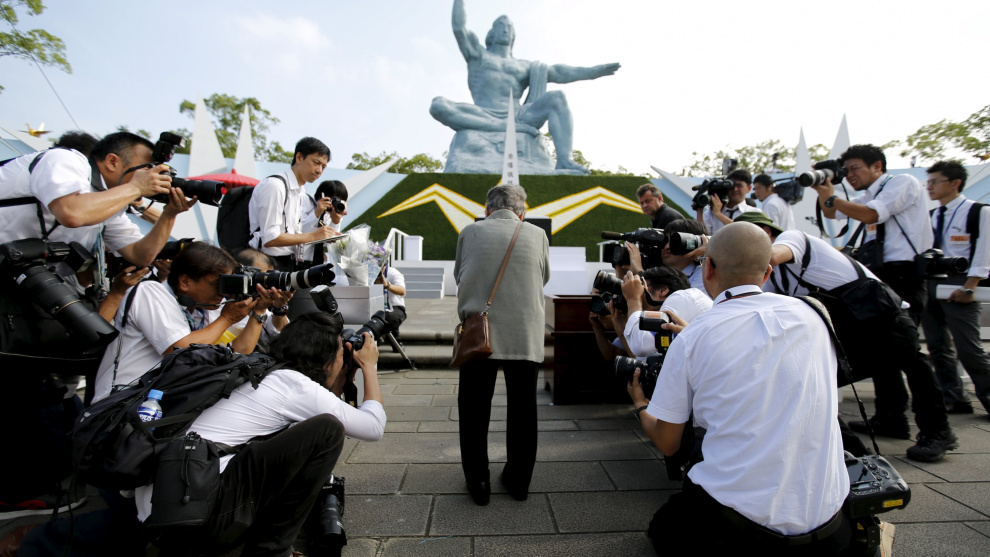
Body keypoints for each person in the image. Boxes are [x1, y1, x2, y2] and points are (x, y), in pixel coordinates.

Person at [19, 313, 385, 557]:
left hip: (167, 513)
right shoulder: (294, 386)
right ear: (324, 360)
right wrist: (369, 367)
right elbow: (372, 426)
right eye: (340, 357)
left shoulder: (256, 369)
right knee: (326, 431)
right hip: (196, 520)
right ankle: (271, 551)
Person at [630, 222, 850, 555]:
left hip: (741, 527)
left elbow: (668, 443)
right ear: (768, 272)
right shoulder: (814, 315)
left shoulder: (693, 338)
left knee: (664, 526)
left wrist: (639, 403)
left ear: (708, 268)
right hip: (829, 520)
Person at [736, 211, 958, 462]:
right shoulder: (773, 276)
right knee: (818, 380)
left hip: (885, 317)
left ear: (766, 233)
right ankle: (885, 425)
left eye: (743, 241)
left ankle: (938, 432)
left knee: (913, 365)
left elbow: (773, 256)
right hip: (856, 327)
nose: (741, 251)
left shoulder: (792, 239)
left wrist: (721, 250)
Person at [430, 0, 620, 173]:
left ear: (514, 34)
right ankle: (501, 126)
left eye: (509, 27)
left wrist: (592, 72)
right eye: (500, 26)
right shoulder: (478, 55)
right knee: (438, 105)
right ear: (491, 33)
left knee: (557, 97)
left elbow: (559, 72)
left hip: (518, 115)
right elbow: (459, 28)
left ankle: (564, 160)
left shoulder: (524, 66)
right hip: (482, 112)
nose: (505, 30)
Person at [454, 184, 549, 506]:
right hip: (525, 332)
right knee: (523, 408)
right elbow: (543, 277)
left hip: (479, 333)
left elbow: (460, 275)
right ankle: (519, 481)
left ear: (487, 210)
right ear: (522, 212)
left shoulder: (470, 232)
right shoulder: (537, 235)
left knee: (473, 407)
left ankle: (478, 481)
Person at [91, 242, 275, 403]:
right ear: (185, 282)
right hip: (119, 404)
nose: (223, 292)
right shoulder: (150, 291)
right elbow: (180, 350)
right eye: (217, 284)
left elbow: (240, 351)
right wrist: (226, 319)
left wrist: (258, 311)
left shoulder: (203, 308)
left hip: (157, 402)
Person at [812, 144, 933, 324]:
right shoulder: (871, 194)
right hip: (878, 269)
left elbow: (870, 215)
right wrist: (822, 191)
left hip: (904, 272)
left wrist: (832, 198)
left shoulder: (903, 182)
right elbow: (831, 212)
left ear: (877, 166)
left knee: (902, 329)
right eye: (846, 171)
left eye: (855, 168)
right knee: (878, 330)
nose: (849, 176)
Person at [922, 160, 990, 415]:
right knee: (938, 347)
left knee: (968, 348)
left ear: (954, 183)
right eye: (928, 182)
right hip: (931, 284)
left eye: (934, 182)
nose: (929, 187)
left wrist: (970, 287)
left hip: (961, 284)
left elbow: (984, 252)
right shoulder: (932, 215)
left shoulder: (978, 212)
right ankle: (954, 398)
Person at [248, 137, 336, 271]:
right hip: (266, 264)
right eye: (316, 162)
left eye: (323, 167)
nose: (319, 170)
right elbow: (270, 238)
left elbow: (295, 233)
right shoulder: (275, 186)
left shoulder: (300, 192)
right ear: (299, 158)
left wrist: (324, 235)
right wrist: (313, 236)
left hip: (289, 263)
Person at [619, 266, 712, 358]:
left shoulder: (683, 296)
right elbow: (643, 358)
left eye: (640, 288)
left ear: (662, 290)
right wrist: (620, 330)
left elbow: (639, 346)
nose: (636, 292)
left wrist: (633, 299)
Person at [227, 249, 295, 348]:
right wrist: (259, 311)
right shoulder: (218, 304)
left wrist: (279, 308)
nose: (267, 283)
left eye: (271, 276)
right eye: (263, 277)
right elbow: (239, 350)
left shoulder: (259, 302)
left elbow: (281, 337)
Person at [302, 179, 348, 270]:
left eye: (340, 200)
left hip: (317, 262)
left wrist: (335, 222)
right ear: (322, 196)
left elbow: (329, 243)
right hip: (299, 259)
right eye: (333, 199)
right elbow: (301, 231)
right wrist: (317, 213)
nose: (335, 203)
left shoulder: (334, 212)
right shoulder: (305, 202)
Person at [697, 168, 758, 235]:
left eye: (739, 186)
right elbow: (703, 236)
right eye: (732, 186)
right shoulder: (711, 212)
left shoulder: (754, 212)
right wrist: (699, 210)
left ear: (748, 188)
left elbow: (746, 232)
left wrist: (719, 214)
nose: (735, 189)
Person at [375, 263, 407, 338]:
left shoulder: (393, 273)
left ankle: (395, 338)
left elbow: (402, 291)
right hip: (375, 306)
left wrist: (387, 285)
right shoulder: (367, 274)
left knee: (389, 318)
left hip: (394, 306)